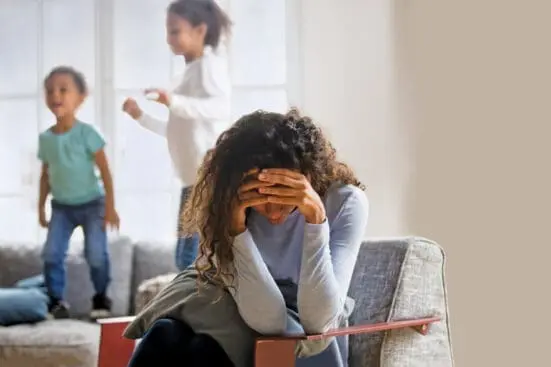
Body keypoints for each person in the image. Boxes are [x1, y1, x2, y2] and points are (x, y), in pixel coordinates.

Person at [124, 109, 370, 367]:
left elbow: (316, 322)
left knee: (201, 349)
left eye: (284, 195)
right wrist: (235, 229)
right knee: (166, 333)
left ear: (308, 175)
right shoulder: (230, 203)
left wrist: (316, 220)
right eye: (263, 198)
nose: (274, 212)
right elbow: (263, 313)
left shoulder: (344, 201)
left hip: (298, 325)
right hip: (237, 302)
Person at [122, 0, 232, 271]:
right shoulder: (189, 73)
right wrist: (141, 116)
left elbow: (220, 108)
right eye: (168, 31)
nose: (169, 39)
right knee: (184, 257)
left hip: (207, 178)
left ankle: (190, 308)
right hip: (191, 180)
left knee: (189, 257)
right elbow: (176, 131)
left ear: (200, 30)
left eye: (175, 31)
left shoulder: (208, 65)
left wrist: (173, 101)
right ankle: (186, 307)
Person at [38, 66, 120, 320]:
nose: (55, 95)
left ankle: (101, 296)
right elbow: (45, 175)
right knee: (51, 254)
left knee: (96, 254)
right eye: (50, 90)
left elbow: (105, 171)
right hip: (61, 207)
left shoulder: (88, 133)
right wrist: (41, 207)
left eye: (63, 89)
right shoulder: (46, 139)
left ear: (81, 97)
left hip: (93, 204)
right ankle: (56, 301)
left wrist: (110, 207)